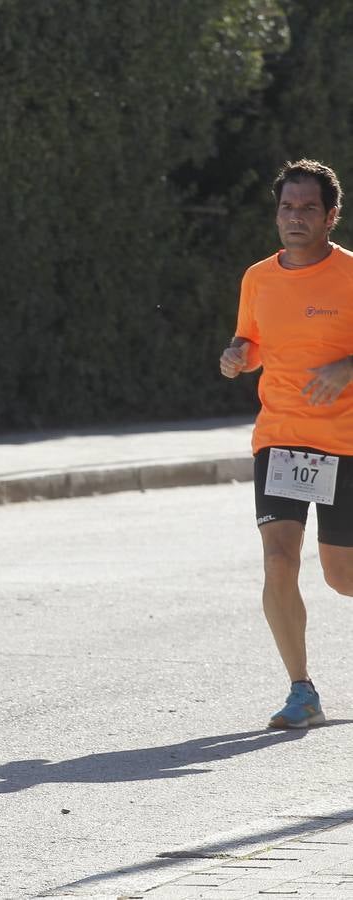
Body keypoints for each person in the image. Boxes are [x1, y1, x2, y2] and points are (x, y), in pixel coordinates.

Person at [220, 158, 353, 729]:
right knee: (278, 559)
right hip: (281, 438)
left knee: (342, 578)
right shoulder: (258, 277)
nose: (294, 217)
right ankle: (302, 691)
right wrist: (237, 356)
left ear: (331, 216)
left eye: (307, 208)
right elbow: (250, 341)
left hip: (345, 443)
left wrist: (348, 365)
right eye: (286, 207)